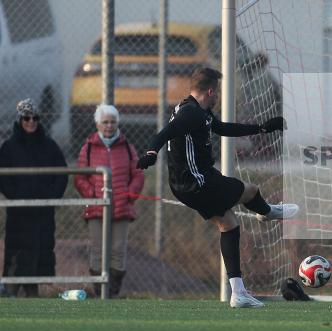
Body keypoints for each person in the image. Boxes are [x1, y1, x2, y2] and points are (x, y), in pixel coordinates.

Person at [136, 67, 301, 307]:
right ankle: (268, 213)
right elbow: (166, 132)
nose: (218, 96)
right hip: (198, 182)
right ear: (211, 90)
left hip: (188, 184)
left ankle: (238, 293)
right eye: (218, 92)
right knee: (251, 191)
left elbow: (223, 128)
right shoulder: (190, 114)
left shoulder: (198, 110)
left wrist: (262, 128)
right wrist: (151, 152)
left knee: (229, 224)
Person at [74, 104, 144, 298]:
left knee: (117, 250)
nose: (109, 126)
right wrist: (93, 195)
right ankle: (99, 291)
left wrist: (130, 193)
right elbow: (79, 177)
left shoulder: (127, 147)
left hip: (122, 206)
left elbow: (138, 174)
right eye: (105, 122)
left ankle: (112, 292)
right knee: (97, 250)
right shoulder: (88, 148)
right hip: (97, 208)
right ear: (97, 124)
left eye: (113, 122)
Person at [0, 99, 67, 297]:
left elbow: (62, 173)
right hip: (19, 212)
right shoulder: (9, 147)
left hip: (43, 212)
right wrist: (16, 196)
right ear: (20, 120)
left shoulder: (49, 145)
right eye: (26, 118)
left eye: (35, 118)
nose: (31, 122)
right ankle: (10, 292)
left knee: (40, 252)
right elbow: (3, 178)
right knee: (16, 254)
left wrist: (51, 196)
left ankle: (32, 294)